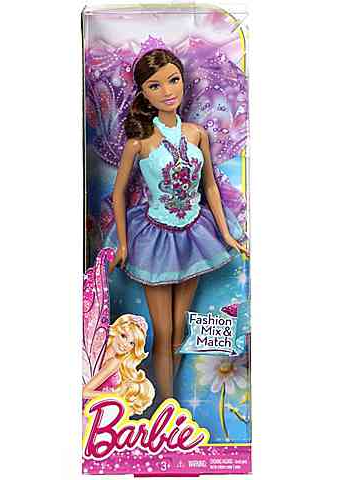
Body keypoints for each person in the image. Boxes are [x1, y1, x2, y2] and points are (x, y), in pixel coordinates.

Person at [103, 48, 248, 401]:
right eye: (155, 85)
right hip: (155, 240)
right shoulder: (139, 143)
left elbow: (209, 185)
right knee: (163, 330)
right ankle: (165, 404)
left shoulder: (196, 134)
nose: (168, 91)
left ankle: (171, 406)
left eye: (173, 80)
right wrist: (123, 243)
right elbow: (118, 194)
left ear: (183, 81)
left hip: (195, 235)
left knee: (180, 330)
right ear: (144, 93)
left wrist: (226, 233)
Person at [82, 314, 154, 416]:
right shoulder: (113, 362)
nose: (125, 345)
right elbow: (85, 392)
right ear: (115, 331)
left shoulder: (108, 357)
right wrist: (116, 397)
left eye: (132, 343)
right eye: (123, 336)